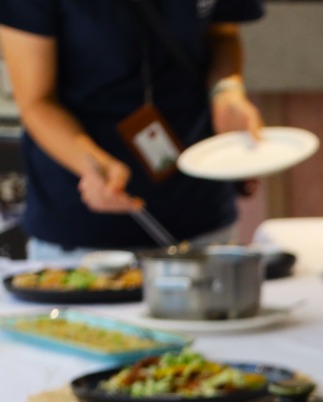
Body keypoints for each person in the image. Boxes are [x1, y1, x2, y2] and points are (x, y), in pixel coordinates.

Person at [0, 0, 265, 259]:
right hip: (84, 233)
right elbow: (36, 102)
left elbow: (223, 35)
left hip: (203, 211)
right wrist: (89, 163)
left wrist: (226, 92)